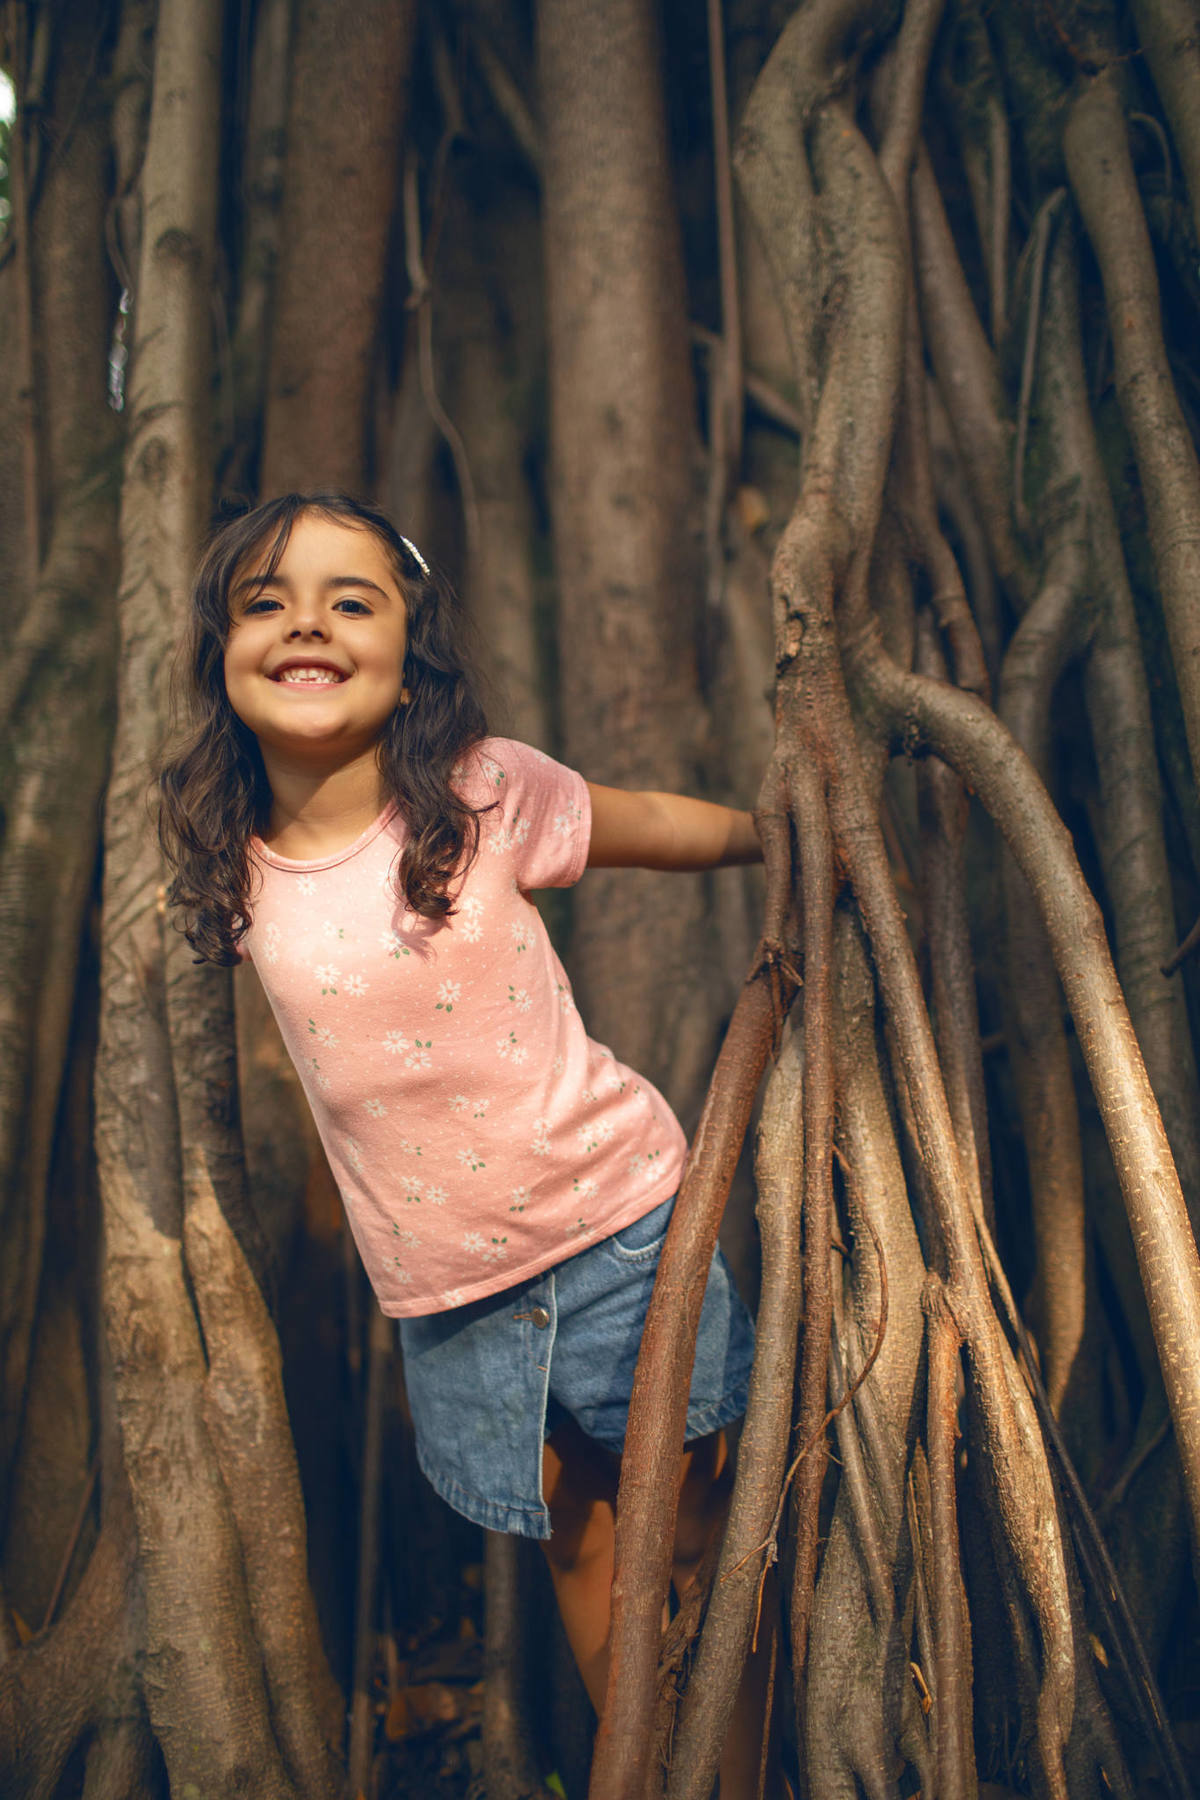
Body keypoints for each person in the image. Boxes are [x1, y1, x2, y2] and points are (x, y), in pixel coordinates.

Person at [159, 490, 771, 1793]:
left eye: (349, 600)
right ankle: (650, 1773)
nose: (306, 624)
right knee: (583, 1546)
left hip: (621, 1228)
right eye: (265, 603)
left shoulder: (478, 793)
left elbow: (643, 823)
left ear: (409, 647)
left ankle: (756, 1767)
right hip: (454, 1297)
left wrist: (773, 835)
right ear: (220, 654)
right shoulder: (234, 862)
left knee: (699, 1531)